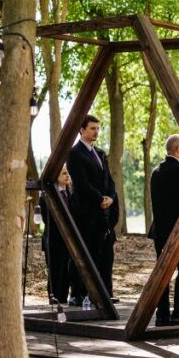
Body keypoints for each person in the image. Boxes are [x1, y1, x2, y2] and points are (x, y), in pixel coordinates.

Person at [66, 114, 119, 306]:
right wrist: (99, 198)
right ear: (81, 129)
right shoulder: (74, 153)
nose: (96, 131)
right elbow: (81, 183)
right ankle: (77, 294)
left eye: (98, 128)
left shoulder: (101, 153)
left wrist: (110, 197)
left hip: (103, 213)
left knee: (103, 253)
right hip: (85, 213)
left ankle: (102, 292)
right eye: (92, 128)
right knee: (82, 252)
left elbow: (109, 181)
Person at [149, 135, 179, 326]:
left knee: (163, 272)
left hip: (160, 231)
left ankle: (162, 315)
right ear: (178, 149)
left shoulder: (156, 171)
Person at [42, 165, 74, 305]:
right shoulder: (46, 196)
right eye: (64, 174)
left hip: (69, 240)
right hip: (54, 239)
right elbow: (46, 219)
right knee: (55, 269)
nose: (67, 176)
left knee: (67, 270)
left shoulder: (70, 194)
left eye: (68, 173)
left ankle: (63, 298)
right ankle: (54, 298)